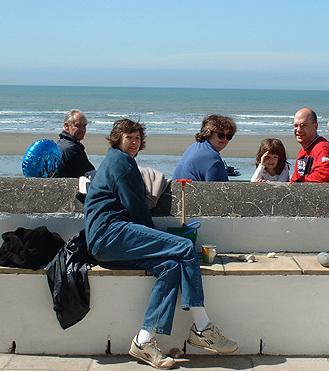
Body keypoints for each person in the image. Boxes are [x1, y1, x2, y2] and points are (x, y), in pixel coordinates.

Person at [84, 119, 237, 369]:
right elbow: (138, 209)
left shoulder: (117, 160)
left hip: (106, 241)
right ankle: (203, 328)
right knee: (185, 248)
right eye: (129, 138)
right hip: (110, 234)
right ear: (117, 139)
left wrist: (159, 244)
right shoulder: (120, 163)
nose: (134, 143)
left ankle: (144, 341)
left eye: (137, 139)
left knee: (169, 266)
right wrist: (159, 239)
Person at [172, 114, 236, 182]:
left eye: (229, 136)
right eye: (221, 135)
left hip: (178, 190)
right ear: (209, 133)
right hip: (190, 191)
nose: (225, 139)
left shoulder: (195, 147)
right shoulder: (212, 158)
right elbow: (223, 189)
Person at [290, 108, 329, 183]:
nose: (298, 130)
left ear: (315, 126)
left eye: (303, 125)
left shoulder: (322, 148)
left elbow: (324, 176)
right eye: (295, 126)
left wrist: (300, 181)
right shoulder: (303, 151)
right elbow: (295, 179)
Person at [54, 109, 95, 178]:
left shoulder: (62, 143)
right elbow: (89, 173)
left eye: (84, 126)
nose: (82, 130)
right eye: (78, 125)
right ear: (67, 126)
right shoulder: (71, 149)